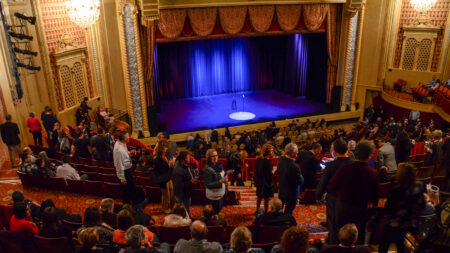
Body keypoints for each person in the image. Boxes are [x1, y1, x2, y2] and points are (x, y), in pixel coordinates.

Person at [328, 141, 379, 244]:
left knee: (340, 234)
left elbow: (331, 186)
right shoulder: (373, 173)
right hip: (360, 209)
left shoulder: (344, 169)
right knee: (358, 236)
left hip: (343, 207)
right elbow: (374, 198)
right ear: (369, 156)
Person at [378, 163, 426, 253]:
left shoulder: (397, 188)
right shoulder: (419, 186)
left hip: (393, 222)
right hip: (408, 223)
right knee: (400, 244)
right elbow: (422, 204)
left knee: (384, 244)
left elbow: (389, 208)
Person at [316, 138, 354, 244]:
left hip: (335, 199)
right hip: (351, 198)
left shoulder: (331, 166)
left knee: (334, 226)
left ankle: (335, 245)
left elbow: (323, 183)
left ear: (334, 151)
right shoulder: (354, 163)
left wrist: (318, 196)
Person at [114, 131, 139, 205]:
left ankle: (133, 204)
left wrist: (129, 153)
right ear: (124, 138)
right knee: (126, 191)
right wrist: (122, 178)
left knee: (131, 189)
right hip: (124, 172)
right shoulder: (119, 150)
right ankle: (128, 206)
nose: (129, 138)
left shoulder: (122, 144)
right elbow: (119, 164)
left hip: (127, 170)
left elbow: (124, 156)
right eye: (128, 137)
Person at [278, 143, 303, 215]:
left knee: (280, 208)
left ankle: (279, 220)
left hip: (282, 188)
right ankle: (286, 222)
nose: (298, 153)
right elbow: (300, 181)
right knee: (289, 210)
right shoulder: (294, 166)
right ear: (293, 153)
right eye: (297, 152)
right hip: (291, 192)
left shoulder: (280, 159)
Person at [152, 141, 174, 214]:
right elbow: (162, 170)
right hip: (163, 179)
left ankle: (169, 206)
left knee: (170, 192)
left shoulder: (163, 156)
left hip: (167, 177)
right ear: (161, 148)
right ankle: (165, 208)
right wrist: (170, 165)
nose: (167, 149)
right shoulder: (158, 158)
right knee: (165, 194)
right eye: (165, 147)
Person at [204, 149, 227, 214]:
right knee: (214, 213)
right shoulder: (207, 169)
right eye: (213, 156)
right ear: (209, 158)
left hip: (220, 194)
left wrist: (226, 174)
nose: (215, 157)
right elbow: (208, 185)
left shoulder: (219, 165)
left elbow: (221, 174)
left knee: (218, 212)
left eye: (216, 155)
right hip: (214, 196)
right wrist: (220, 181)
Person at [172, 151, 196, 216]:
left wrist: (191, 171)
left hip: (185, 193)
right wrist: (190, 182)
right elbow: (178, 185)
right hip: (182, 195)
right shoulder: (178, 170)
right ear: (184, 159)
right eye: (188, 158)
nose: (189, 159)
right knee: (184, 211)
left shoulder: (181, 164)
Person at [255, 143, 275, 213]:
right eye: (271, 151)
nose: (273, 152)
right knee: (266, 199)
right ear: (268, 152)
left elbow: (256, 171)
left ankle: (257, 210)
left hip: (259, 181)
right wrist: (274, 171)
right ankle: (266, 213)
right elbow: (269, 174)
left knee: (259, 197)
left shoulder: (258, 159)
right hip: (266, 183)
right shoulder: (268, 162)